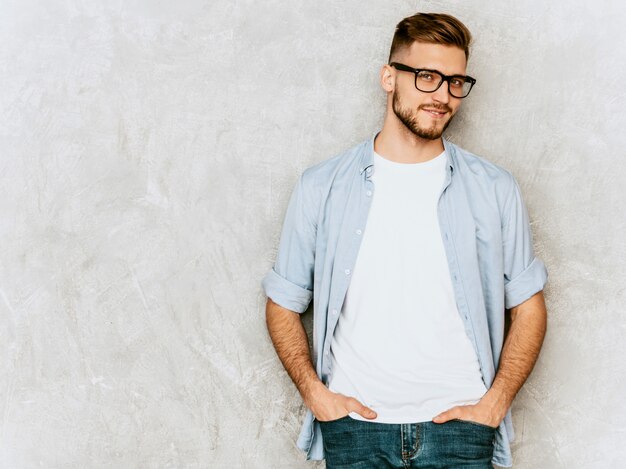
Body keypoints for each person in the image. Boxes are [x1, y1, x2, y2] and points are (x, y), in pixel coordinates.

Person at [262, 12, 548, 469]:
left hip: (462, 429)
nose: (443, 96)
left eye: (456, 82)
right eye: (428, 77)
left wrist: (494, 404)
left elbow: (529, 305)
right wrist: (316, 395)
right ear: (389, 78)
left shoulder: (494, 189)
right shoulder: (321, 186)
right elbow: (282, 301)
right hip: (354, 428)